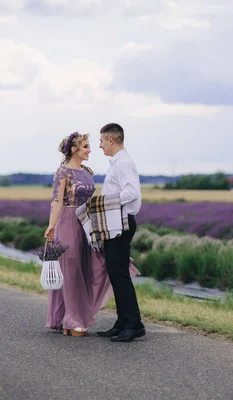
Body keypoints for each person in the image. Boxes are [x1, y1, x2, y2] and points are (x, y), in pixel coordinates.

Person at [44, 131, 139, 337]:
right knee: (71, 270)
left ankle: (79, 317)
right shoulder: (62, 173)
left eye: (91, 145)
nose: (90, 150)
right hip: (68, 224)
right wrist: (52, 225)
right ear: (74, 149)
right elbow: (57, 201)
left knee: (91, 267)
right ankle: (71, 319)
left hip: (87, 224)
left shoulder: (87, 171)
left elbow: (94, 200)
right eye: (86, 146)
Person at [95, 123, 145, 343]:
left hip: (121, 224)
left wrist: (105, 204)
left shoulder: (123, 163)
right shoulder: (118, 162)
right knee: (116, 275)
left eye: (102, 141)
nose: (100, 145)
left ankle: (133, 325)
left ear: (111, 140)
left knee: (120, 276)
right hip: (117, 223)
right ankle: (123, 322)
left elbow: (131, 193)